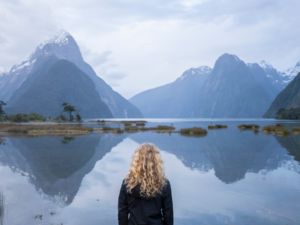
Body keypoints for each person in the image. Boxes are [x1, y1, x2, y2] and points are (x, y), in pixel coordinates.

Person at [118, 143, 173, 225]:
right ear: (156, 162)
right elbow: (168, 215)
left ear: (136, 161)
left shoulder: (127, 183)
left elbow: (122, 212)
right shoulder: (164, 184)